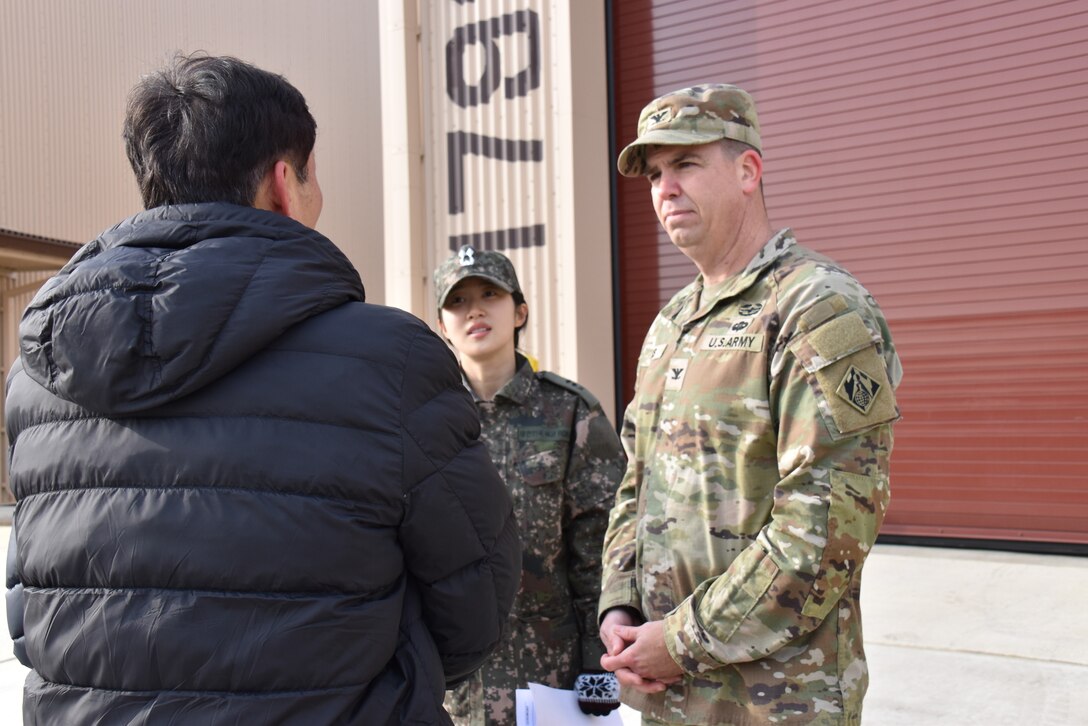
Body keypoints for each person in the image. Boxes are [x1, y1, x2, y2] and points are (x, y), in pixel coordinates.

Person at [4, 53, 520, 725]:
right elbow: (476, 600)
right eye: (314, 176)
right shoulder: (386, 360)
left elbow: (29, 615)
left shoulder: (42, 379)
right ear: (283, 183)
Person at [597, 84, 903, 725]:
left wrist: (679, 642)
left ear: (747, 171)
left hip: (774, 701)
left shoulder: (816, 309)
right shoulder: (672, 323)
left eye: (684, 164)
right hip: (664, 696)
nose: (664, 189)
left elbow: (824, 533)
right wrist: (620, 606)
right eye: (654, 174)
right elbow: (637, 481)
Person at [432, 247, 626, 724]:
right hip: (452, 685)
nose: (474, 310)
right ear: (441, 325)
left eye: (489, 295)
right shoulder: (425, 421)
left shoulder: (570, 412)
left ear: (519, 311)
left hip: (549, 680)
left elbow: (599, 549)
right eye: (457, 302)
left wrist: (595, 665)